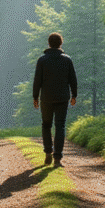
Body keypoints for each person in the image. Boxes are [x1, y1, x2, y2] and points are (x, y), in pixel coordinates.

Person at [33, 33, 77, 168]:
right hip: (63, 98)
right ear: (60, 43)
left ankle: (48, 152)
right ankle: (57, 158)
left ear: (49, 43)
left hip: (46, 98)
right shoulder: (67, 60)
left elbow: (37, 81)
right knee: (60, 126)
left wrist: (35, 97)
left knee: (46, 125)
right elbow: (73, 80)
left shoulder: (42, 60)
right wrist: (74, 95)